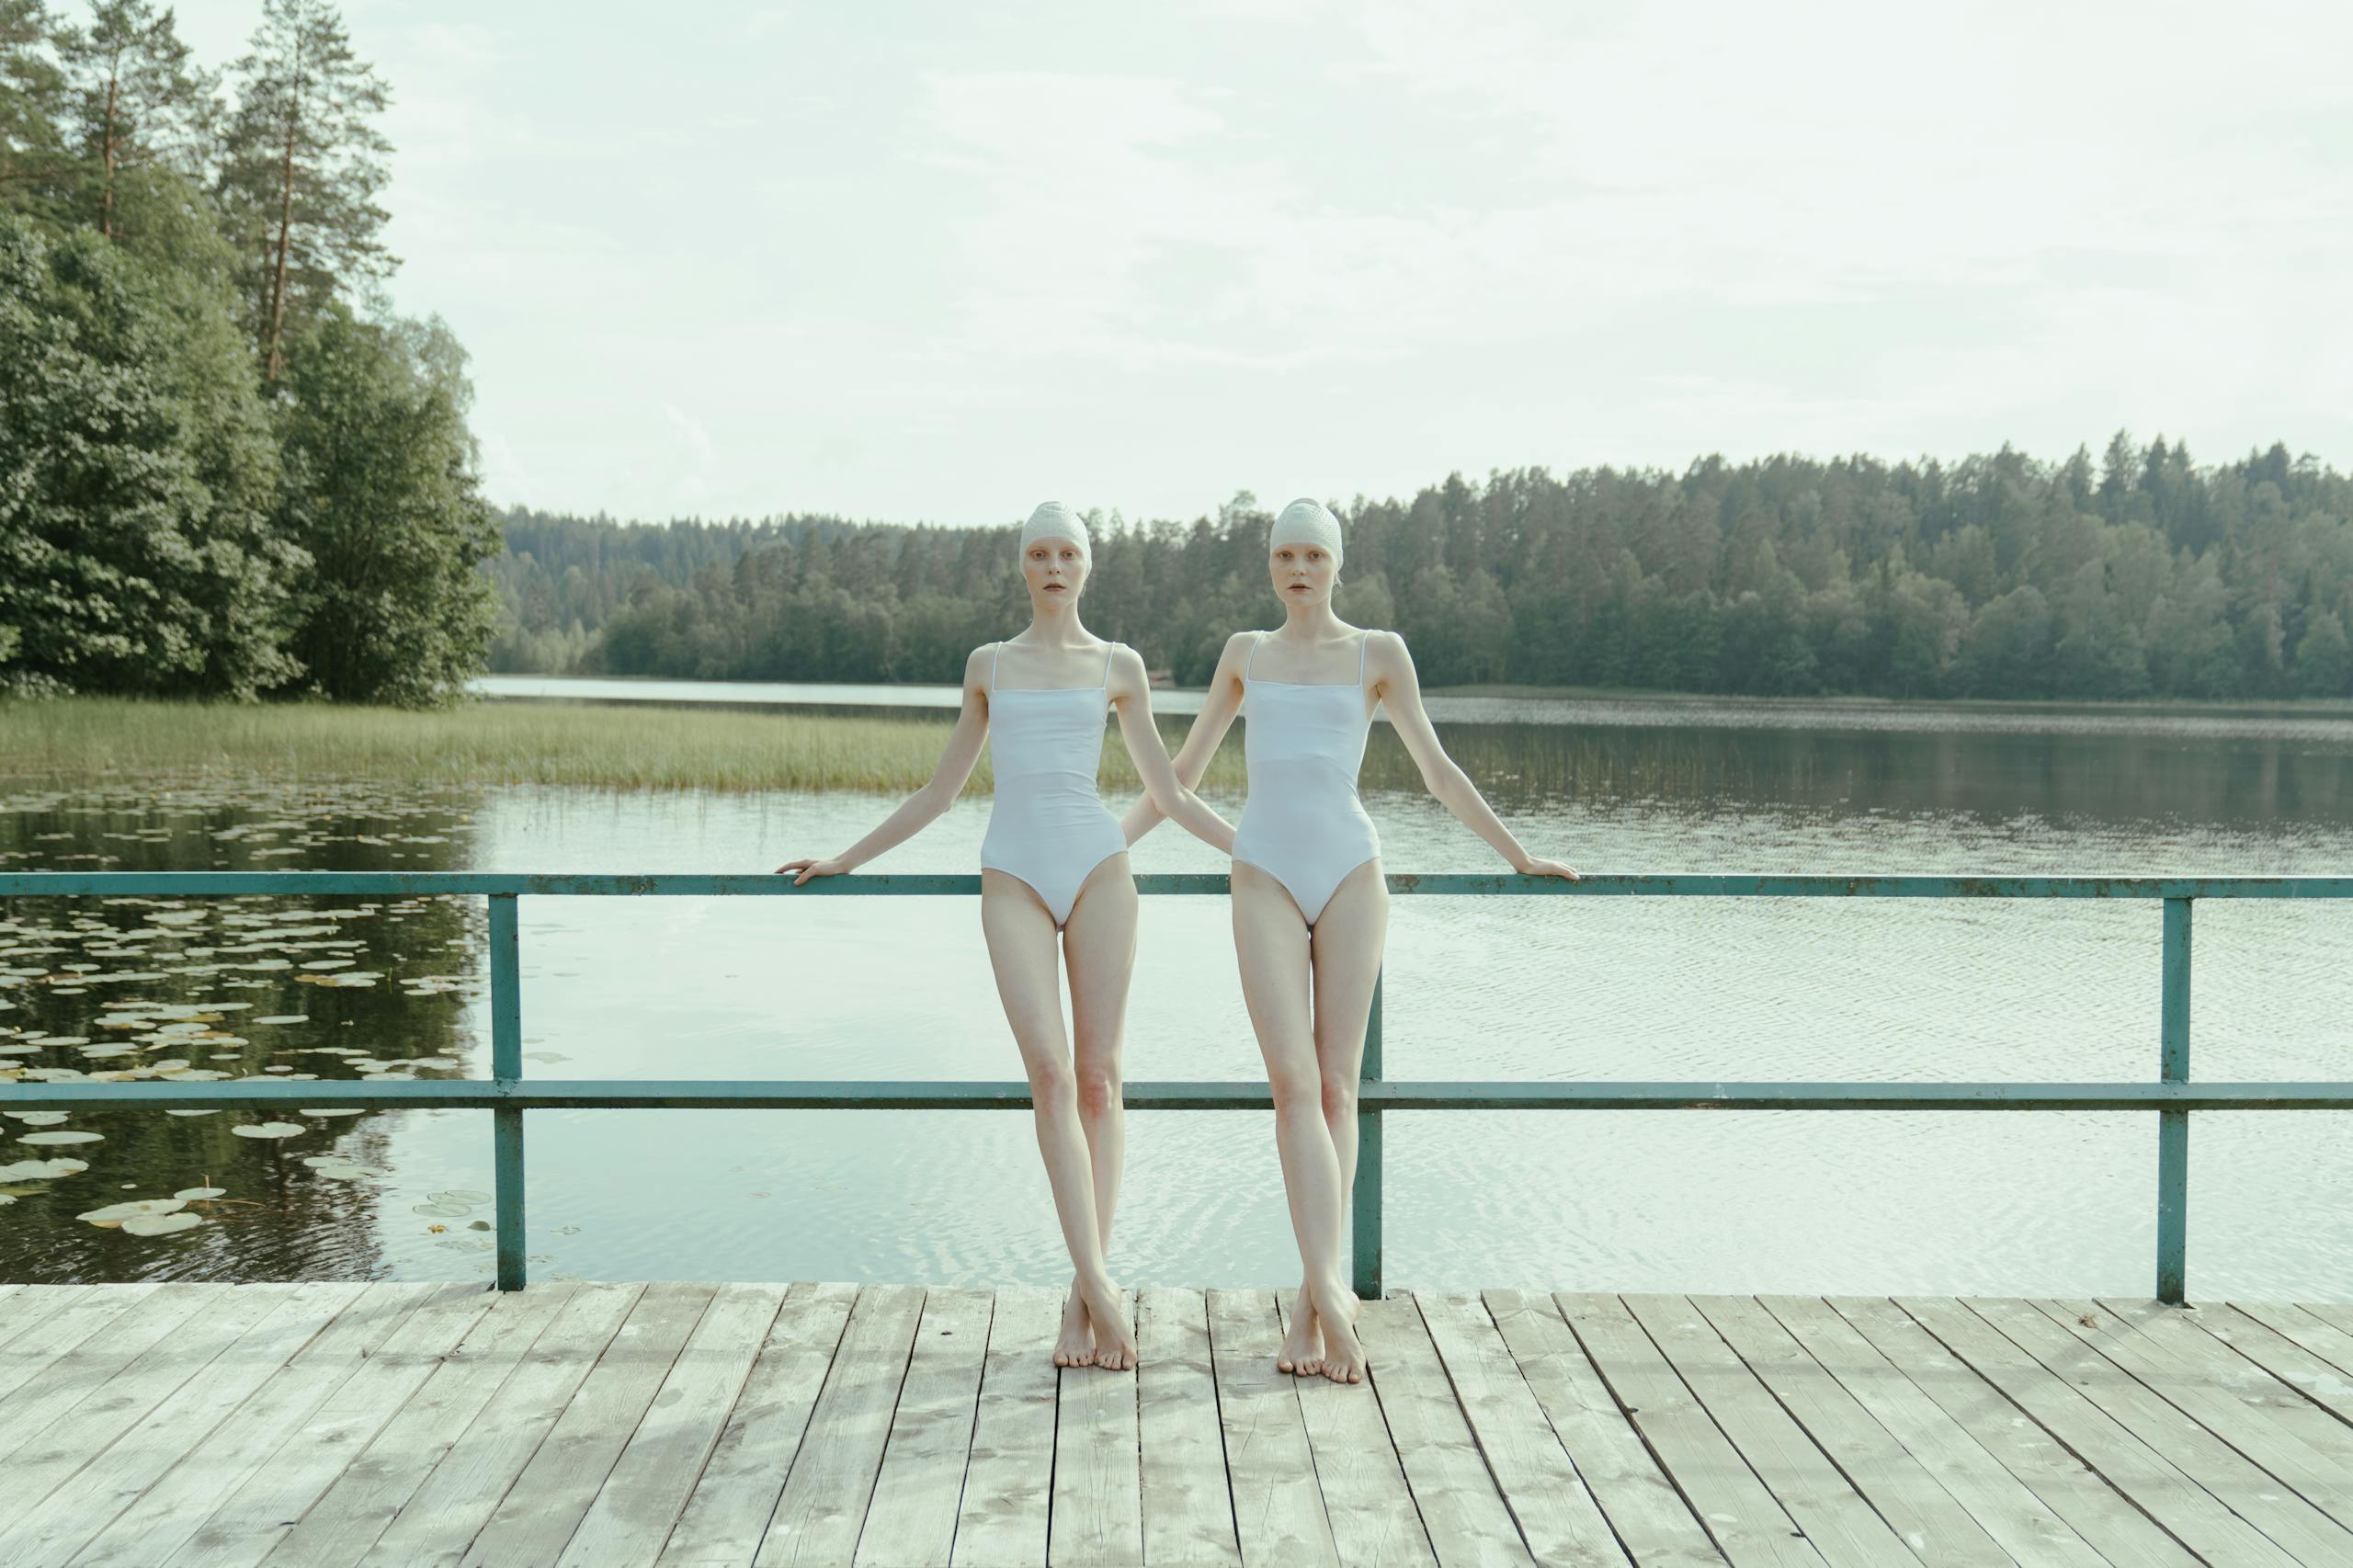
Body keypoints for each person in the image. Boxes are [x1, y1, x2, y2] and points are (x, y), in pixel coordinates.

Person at [1123, 498, 1578, 1382]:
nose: (1298, 569)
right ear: (1271, 567)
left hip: (1350, 873)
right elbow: (1179, 774)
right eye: (1285, 555)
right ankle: (1336, 1301)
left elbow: (1436, 770)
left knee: (1337, 1087)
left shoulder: (1379, 653)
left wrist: (1518, 854)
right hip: (1261, 873)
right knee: (1292, 1084)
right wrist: (1114, 841)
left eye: (1313, 555)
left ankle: (1311, 1300)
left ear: (1337, 564)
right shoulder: (1244, 656)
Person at [780, 502, 1235, 1370]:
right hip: (1013, 877)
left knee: (1100, 1080)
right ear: (1022, 568)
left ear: (1086, 567)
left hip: (1101, 869)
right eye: (1039, 552)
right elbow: (941, 792)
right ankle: (1101, 1285)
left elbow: (1170, 794)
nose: (1054, 564)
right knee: (1051, 1075)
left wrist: (1257, 851)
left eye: (1068, 552)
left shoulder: (1119, 665)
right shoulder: (989, 665)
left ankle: (1079, 1298)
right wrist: (845, 858)